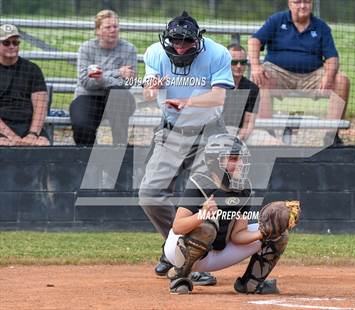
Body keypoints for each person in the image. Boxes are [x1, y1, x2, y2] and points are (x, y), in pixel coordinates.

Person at [138, 11, 234, 286]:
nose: (180, 47)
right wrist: (151, 88)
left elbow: (219, 96)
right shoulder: (155, 53)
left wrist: (187, 103)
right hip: (171, 131)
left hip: (208, 132)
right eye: (175, 43)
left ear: (197, 40)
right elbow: (147, 92)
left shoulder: (217, 53)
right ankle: (176, 249)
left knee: (199, 201)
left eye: (186, 43)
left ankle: (192, 261)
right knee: (149, 194)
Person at [164, 133, 300, 294]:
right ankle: (181, 276)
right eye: (234, 159)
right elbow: (178, 227)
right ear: (215, 161)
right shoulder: (199, 183)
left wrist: (263, 232)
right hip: (179, 250)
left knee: (279, 235)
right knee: (207, 226)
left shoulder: (243, 189)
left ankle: (250, 283)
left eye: (241, 158)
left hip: (217, 254)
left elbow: (237, 235)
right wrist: (202, 214)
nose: (241, 163)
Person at [248, 0, 350, 144]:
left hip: (312, 75)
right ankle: (266, 131)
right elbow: (254, 41)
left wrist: (329, 76)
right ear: (290, 4)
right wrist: (256, 66)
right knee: (261, 75)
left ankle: (331, 136)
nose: (303, 6)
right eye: (298, 2)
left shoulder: (321, 27)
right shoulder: (277, 20)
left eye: (307, 2)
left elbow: (332, 57)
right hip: (279, 73)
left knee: (342, 80)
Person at [70, 9, 137, 145]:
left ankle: (120, 148)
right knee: (81, 126)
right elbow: (85, 82)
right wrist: (118, 72)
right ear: (98, 31)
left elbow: (127, 83)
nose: (113, 30)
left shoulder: (129, 49)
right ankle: (88, 158)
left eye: (115, 26)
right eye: (108, 27)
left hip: (119, 100)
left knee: (117, 92)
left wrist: (100, 77)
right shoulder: (86, 48)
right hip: (88, 96)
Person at [0, 24, 49, 146]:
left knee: (42, 143)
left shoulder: (32, 69)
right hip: (2, 125)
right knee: (3, 143)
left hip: (27, 124)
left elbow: (40, 106)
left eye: (15, 43)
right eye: (6, 43)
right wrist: (10, 136)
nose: (12, 46)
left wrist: (33, 134)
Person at [223, 43, 280, 145]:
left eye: (243, 62)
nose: (239, 66)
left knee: (275, 143)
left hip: (241, 134)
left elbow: (249, 122)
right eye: (234, 62)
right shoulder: (217, 85)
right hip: (219, 132)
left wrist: (239, 138)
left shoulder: (252, 88)